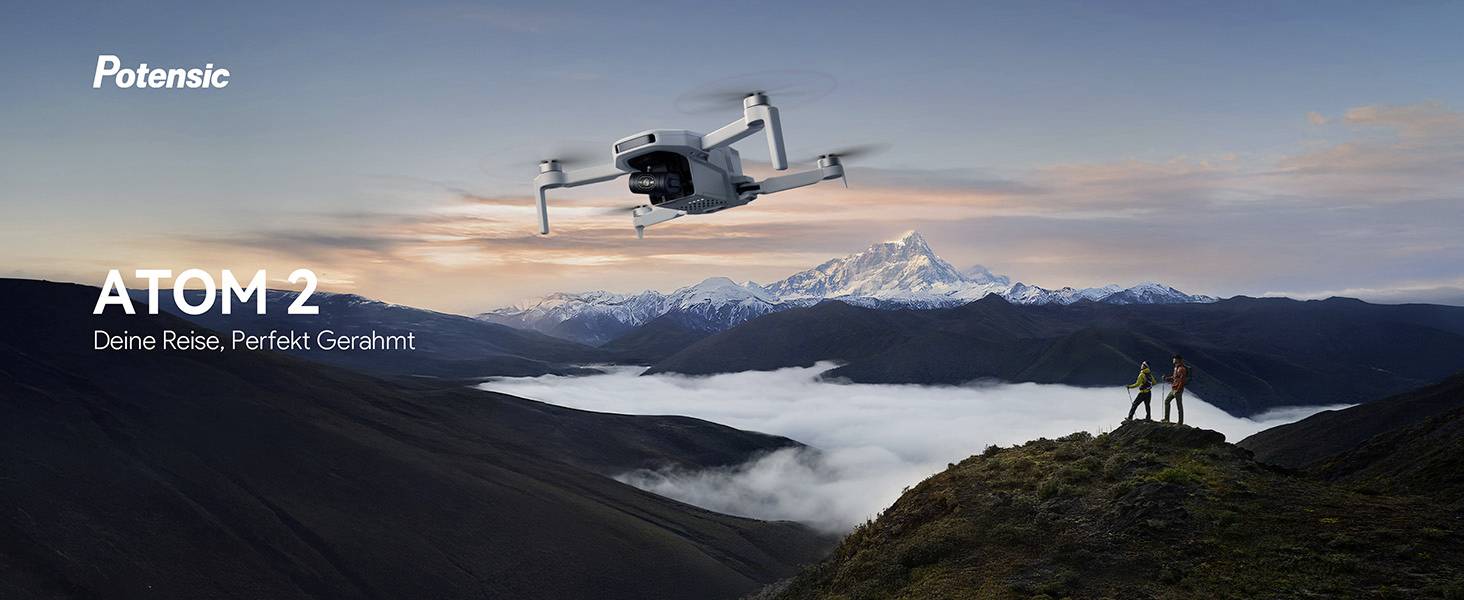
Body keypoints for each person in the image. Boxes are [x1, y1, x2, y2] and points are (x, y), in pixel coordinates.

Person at [1163, 354, 1189, 424]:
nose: (1173, 360)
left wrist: (1178, 389)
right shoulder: (1176, 368)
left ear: (1178, 360)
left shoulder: (1181, 369)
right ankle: (1166, 419)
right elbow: (1174, 377)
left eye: (1174, 359)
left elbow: (1182, 380)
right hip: (1174, 388)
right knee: (1167, 401)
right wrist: (1167, 378)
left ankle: (1180, 422)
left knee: (1179, 406)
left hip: (1177, 390)